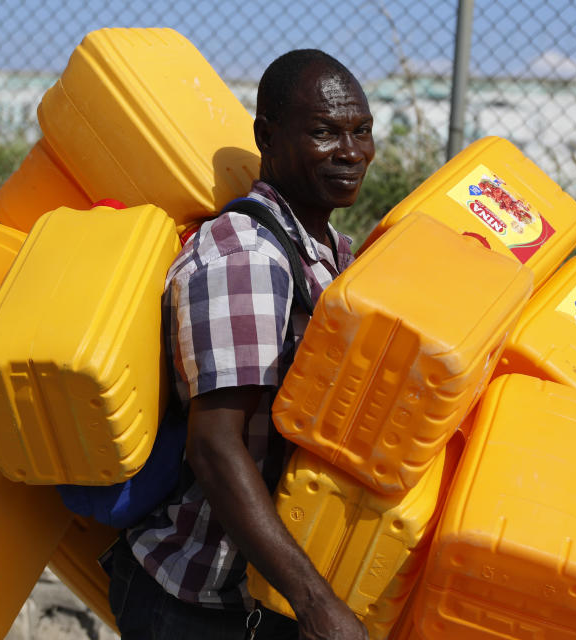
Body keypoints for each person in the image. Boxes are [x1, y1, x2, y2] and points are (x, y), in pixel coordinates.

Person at [105, 48, 375, 640]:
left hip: (265, 597)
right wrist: (317, 605)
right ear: (268, 137)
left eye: (361, 131)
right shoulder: (247, 257)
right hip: (196, 604)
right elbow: (216, 447)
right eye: (325, 132)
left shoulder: (329, 251)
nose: (351, 152)